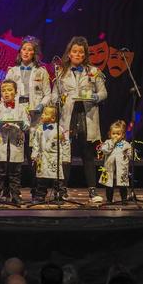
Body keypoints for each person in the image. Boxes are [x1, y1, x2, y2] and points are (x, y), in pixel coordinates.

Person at [52, 36, 107, 203]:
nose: (77, 54)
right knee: (66, 155)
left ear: (85, 55)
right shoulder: (61, 72)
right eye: (74, 51)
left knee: (87, 154)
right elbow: (55, 94)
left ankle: (92, 191)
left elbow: (104, 93)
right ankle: (62, 190)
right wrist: (57, 100)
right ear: (69, 53)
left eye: (81, 52)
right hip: (68, 116)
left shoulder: (94, 71)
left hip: (86, 115)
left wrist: (94, 96)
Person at [5, 36, 51, 198]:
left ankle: (38, 190)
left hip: (35, 115)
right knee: (15, 152)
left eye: (30, 50)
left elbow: (48, 94)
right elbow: (6, 93)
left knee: (34, 152)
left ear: (35, 53)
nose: (26, 52)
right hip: (17, 113)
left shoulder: (41, 71)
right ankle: (11, 191)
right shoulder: (12, 71)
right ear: (20, 51)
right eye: (24, 49)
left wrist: (40, 106)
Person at [0, 80, 30, 204]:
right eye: (3, 90)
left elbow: (27, 126)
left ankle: (16, 196)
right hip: (0, 143)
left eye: (10, 90)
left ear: (16, 92)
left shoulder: (22, 109)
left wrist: (22, 124)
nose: (6, 93)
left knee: (15, 173)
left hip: (15, 143)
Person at [31, 105, 70, 202]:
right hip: (42, 157)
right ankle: (40, 195)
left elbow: (65, 143)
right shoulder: (39, 129)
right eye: (43, 113)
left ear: (53, 118)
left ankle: (59, 195)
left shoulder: (60, 130)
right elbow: (35, 142)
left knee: (57, 179)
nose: (42, 115)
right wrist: (34, 154)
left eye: (45, 114)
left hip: (54, 157)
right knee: (41, 178)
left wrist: (66, 157)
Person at [98, 120, 132, 204]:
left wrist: (130, 153)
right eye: (113, 134)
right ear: (110, 134)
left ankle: (124, 199)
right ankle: (109, 200)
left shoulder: (126, 144)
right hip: (109, 168)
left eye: (118, 134)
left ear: (123, 135)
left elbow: (130, 155)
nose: (115, 136)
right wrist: (112, 142)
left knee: (123, 185)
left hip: (121, 168)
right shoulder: (107, 142)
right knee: (109, 185)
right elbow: (105, 150)